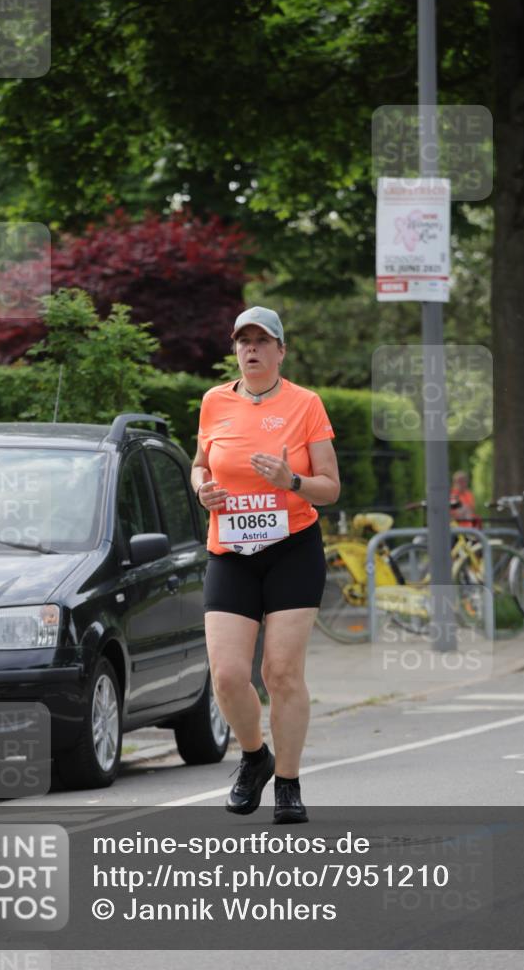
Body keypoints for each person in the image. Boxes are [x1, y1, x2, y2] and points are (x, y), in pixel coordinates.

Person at [191, 306, 340, 823]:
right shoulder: (214, 402)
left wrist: (290, 480)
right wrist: (202, 490)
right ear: (235, 349)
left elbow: (330, 486)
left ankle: (290, 784)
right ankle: (255, 757)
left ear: (281, 350)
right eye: (243, 341)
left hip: (292, 550)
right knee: (229, 674)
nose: (251, 349)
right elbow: (200, 465)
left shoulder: (306, 405)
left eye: (262, 340)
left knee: (280, 672)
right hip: (230, 550)